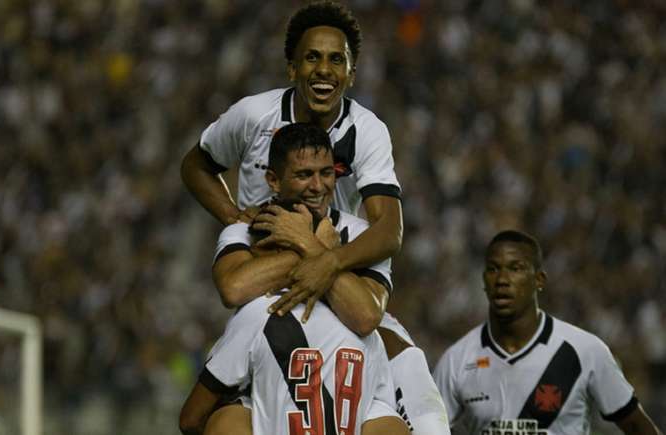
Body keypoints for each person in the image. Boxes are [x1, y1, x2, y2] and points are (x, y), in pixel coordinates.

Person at [180, 2, 449, 433]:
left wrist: (324, 256)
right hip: (267, 281)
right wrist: (237, 216)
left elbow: (389, 229)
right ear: (291, 68)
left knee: (416, 383)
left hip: (341, 268)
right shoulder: (252, 116)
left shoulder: (367, 130)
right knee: (218, 419)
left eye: (336, 59)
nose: (324, 69)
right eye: (312, 57)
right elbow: (195, 166)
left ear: (351, 73)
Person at [179, 123, 409, 435]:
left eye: (326, 173)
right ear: (273, 179)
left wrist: (309, 244)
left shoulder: (360, 234)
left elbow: (366, 315)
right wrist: (320, 250)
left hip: (354, 373)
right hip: (265, 368)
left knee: (416, 418)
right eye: (304, 175)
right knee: (226, 423)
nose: (318, 186)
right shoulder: (243, 228)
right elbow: (234, 289)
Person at [432, 230, 663, 435]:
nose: (502, 280)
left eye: (516, 268)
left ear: (539, 280)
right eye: (493, 269)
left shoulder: (585, 352)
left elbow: (637, 426)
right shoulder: (456, 361)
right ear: (483, 280)